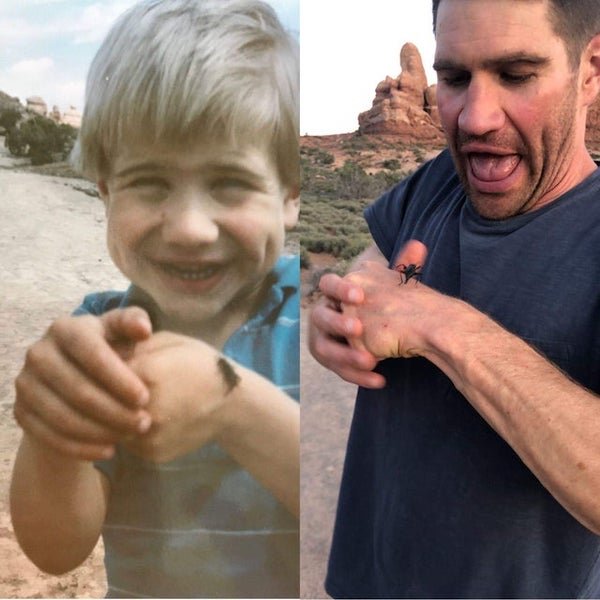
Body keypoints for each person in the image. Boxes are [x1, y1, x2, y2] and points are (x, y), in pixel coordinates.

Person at [309, 0, 600, 597]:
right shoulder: (443, 178)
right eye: (455, 78)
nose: (474, 119)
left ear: (591, 69)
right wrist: (339, 307)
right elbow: (375, 268)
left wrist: (444, 327)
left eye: (517, 75)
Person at [10, 0, 300, 598]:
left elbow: (355, 506)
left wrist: (234, 404)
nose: (190, 228)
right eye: (150, 184)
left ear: (290, 198)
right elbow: (56, 552)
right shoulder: (100, 336)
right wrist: (54, 435)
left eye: (230, 183)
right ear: (106, 193)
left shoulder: (317, 319)